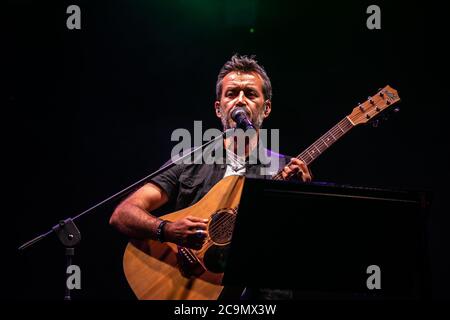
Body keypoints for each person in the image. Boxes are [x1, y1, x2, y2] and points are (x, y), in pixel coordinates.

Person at [109, 54, 312, 299]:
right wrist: (167, 229)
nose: (240, 101)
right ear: (219, 108)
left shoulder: (286, 169)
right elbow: (123, 214)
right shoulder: (190, 160)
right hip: (192, 292)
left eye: (250, 94)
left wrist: (301, 198)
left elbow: (302, 249)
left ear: (266, 108)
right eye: (231, 94)